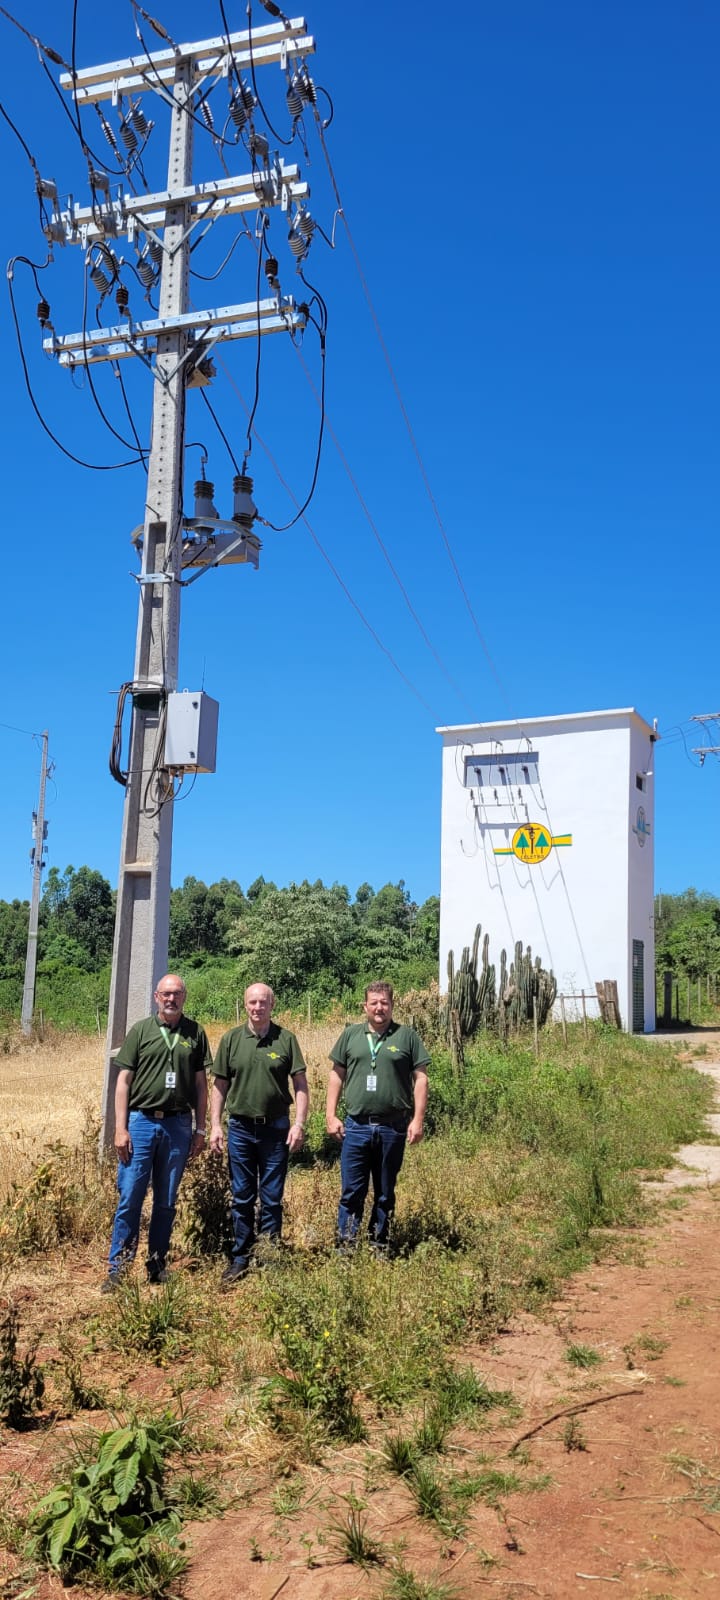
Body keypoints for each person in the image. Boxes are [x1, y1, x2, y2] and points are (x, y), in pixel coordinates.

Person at [102, 974, 211, 1291]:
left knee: (166, 1200)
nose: (171, 999)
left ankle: (156, 1264)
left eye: (176, 994)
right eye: (166, 994)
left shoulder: (195, 1033)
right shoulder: (141, 1031)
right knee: (131, 1197)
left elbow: (202, 1086)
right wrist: (120, 1128)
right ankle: (118, 1269)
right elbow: (123, 1082)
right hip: (141, 1123)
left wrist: (200, 1128)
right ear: (156, 997)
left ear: (184, 997)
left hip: (177, 1124)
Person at [210, 982, 309, 1285]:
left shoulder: (286, 1040)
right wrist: (215, 1124)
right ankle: (240, 1257)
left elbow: (301, 1086)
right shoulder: (231, 1040)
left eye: (262, 1002)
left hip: (276, 1129)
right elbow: (219, 1086)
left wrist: (300, 1123)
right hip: (239, 1129)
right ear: (245, 1005)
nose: (257, 1008)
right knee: (241, 1197)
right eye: (252, 1002)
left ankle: (269, 1256)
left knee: (272, 1197)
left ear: (272, 1005)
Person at [326, 981, 430, 1252]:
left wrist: (417, 1120)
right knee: (351, 1193)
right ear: (365, 1006)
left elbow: (421, 1079)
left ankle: (378, 1245)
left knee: (384, 1193)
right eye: (374, 1002)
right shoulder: (350, 1035)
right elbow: (337, 1075)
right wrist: (330, 1115)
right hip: (356, 1127)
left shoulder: (407, 1036)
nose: (379, 1007)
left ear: (392, 1005)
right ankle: (346, 1247)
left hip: (392, 1127)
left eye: (384, 1002)